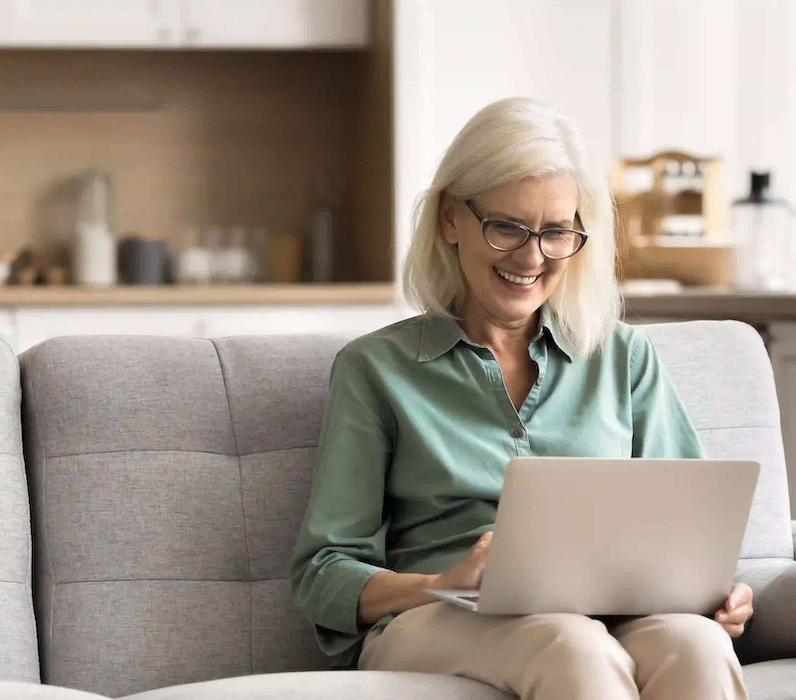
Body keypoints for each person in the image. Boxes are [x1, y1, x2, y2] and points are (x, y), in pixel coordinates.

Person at [287, 97, 752, 700]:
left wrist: (721, 589)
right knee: (571, 646)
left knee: (698, 645)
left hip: (607, 614)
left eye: (557, 232)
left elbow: (693, 533)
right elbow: (322, 572)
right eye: (507, 226)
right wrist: (443, 581)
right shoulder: (375, 370)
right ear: (452, 219)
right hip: (433, 622)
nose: (532, 258)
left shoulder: (625, 358)